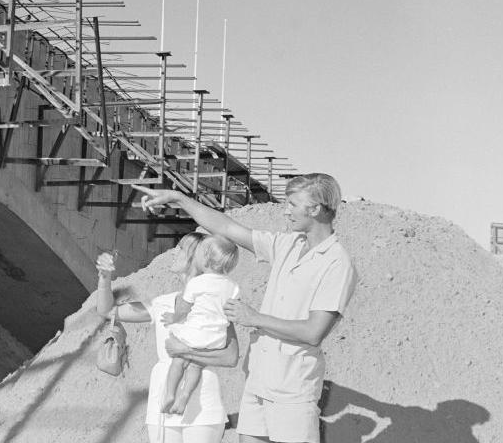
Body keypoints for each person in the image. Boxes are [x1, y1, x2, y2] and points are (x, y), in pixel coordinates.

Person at [137, 173, 358, 443]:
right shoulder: (287, 245)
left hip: (293, 388)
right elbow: (227, 229)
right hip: (258, 379)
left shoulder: (337, 264)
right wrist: (179, 198)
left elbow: (314, 332)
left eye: (292, 204)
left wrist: (255, 318)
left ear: (314, 209)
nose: (285, 210)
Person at [97, 233, 239, 443]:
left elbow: (231, 357)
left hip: (203, 402)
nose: (174, 251)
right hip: (162, 398)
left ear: (197, 258)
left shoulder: (215, 302)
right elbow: (108, 311)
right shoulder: (162, 302)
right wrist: (104, 276)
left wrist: (185, 351)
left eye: (181, 248)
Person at [161, 238, 240, 415]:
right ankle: (185, 396)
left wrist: (173, 318)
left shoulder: (196, 283)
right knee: (195, 365)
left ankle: (170, 393)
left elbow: (183, 311)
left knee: (178, 360)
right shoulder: (233, 286)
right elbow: (233, 308)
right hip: (216, 338)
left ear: (204, 259)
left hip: (195, 333)